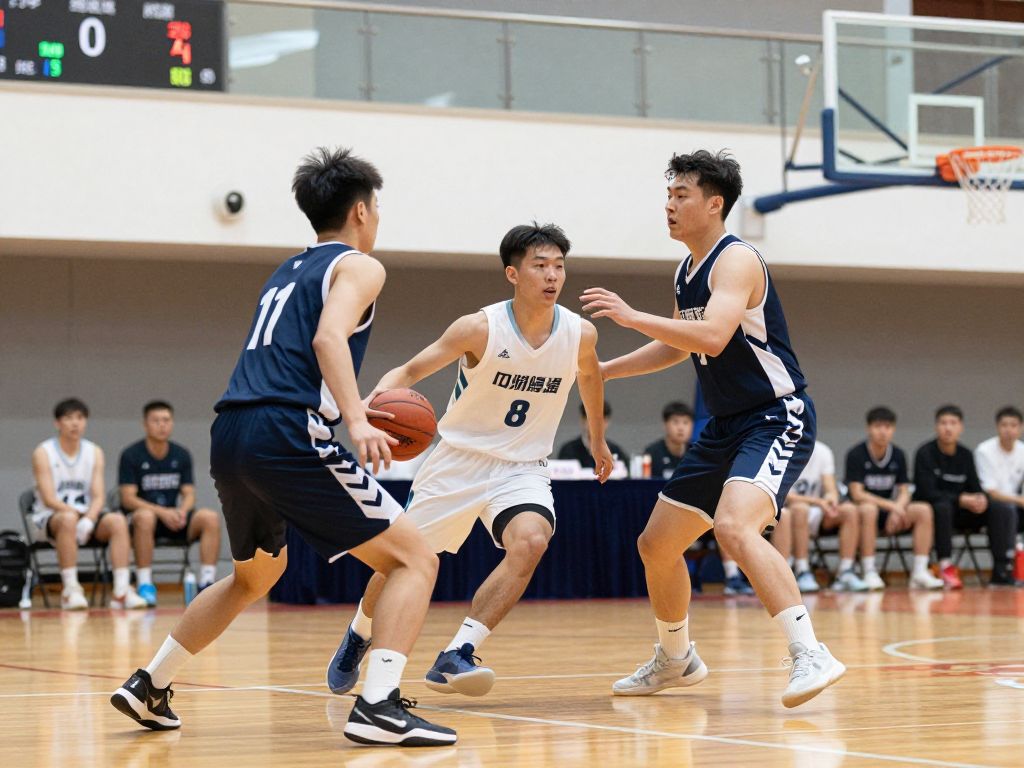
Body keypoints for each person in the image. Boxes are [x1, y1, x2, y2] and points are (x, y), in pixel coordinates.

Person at [110, 147, 455, 747]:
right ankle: (378, 705)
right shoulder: (361, 266)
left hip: (232, 430)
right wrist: (357, 418)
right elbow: (328, 339)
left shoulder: (288, 269)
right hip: (286, 430)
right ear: (362, 210)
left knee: (254, 576)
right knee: (414, 559)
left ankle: (151, 683)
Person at [582, 149, 844, 708]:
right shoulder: (687, 271)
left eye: (682, 195)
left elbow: (715, 336)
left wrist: (628, 316)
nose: (670, 205)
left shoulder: (737, 261)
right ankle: (676, 659)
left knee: (735, 527)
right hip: (726, 426)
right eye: (669, 195)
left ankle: (810, 652)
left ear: (714, 203)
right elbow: (678, 343)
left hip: (777, 416)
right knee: (656, 544)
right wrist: (605, 370)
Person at [327, 222, 612, 699]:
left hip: (522, 467)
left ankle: (458, 651)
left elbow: (591, 380)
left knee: (532, 540)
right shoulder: (479, 328)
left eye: (559, 267)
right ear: (512, 274)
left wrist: (598, 441)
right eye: (540, 266)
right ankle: (359, 632)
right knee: (401, 562)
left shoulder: (580, 334)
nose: (552, 276)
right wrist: (368, 407)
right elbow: (412, 370)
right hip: (458, 460)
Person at [31, 399, 147, 610]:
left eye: (80, 418)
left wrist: (90, 518)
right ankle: (71, 590)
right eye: (68, 418)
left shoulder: (94, 452)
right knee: (67, 519)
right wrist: (77, 517)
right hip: (50, 518)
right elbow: (49, 498)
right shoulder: (43, 452)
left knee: (118, 520)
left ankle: (122, 590)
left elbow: (98, 496)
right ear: (58, 423)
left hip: (86, 517)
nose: (75, 423)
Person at [118, 400, 222, 606]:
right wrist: (162, 512)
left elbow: (189, 493)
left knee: (209, 517)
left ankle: (207, 583)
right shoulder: (131, 455)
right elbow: (127, 498)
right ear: (145, 424)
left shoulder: (181, 454)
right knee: (145, 517)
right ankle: (144, 584)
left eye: (166, 420)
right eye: (155, 421)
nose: (162, 425)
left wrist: (182, 511)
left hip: (175, 520)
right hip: (144, 524)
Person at [914, 405, 1013, 590]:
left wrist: (981, 499)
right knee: (942, 506)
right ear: (936, 427)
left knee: (999, 508)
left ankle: (1001, 570)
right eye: (943, 423)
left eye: (953, 423)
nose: (948, 428)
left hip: (963, 512)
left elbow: (976, 487)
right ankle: (945, 565)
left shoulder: (966, 455)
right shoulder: (925, 453)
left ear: (961, 427)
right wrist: (960, 499)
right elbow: (926, 492)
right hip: (936, 513)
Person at [845, 407, 943, 590]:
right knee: (868, 508)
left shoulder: (898, 454)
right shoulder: (856, 454)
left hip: (891, 513)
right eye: (878, 426)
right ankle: (869, 570)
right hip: (864, 514)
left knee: (923, 510)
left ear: (893, 429)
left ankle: (920, 571)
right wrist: (892, 506)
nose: (883, 431)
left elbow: (905, 490)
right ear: (868, 428)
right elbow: (857, 494)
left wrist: (898, 508)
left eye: (888, 427)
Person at [772, 440, 867, 594]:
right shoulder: (779, 449)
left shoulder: (822, 450)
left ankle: (845, 571)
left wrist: (831, 499)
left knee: (849, 510)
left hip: (816, 510)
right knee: (799, 509)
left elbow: (830, 487)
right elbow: (784, 495)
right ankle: (801, 570)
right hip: (785, 511)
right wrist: (818, 501)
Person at [974, 406, 1024, 585]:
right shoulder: (984, 450)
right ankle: (1003, 568)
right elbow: (991, 491)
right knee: (1006, 510)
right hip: (991, 507)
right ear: (997, 427)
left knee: (1011, 510)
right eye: (1004, 425)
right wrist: (1019, 500)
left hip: (1016, 505)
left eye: (1013, 425)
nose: (1009, 429)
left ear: (1020, 428)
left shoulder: (1022, 451)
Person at [557, 401, 628, 470]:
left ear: (607, 422)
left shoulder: (615, 450)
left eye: (602, 420)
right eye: (592, 419)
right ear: (583, 420)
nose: (597, 425)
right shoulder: (568, 450)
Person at [644, 401, 694, 480]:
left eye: (685, 422)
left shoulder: (697, 454)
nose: (681, 428)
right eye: (675, 422)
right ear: (665, 425)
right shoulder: (652, 454)